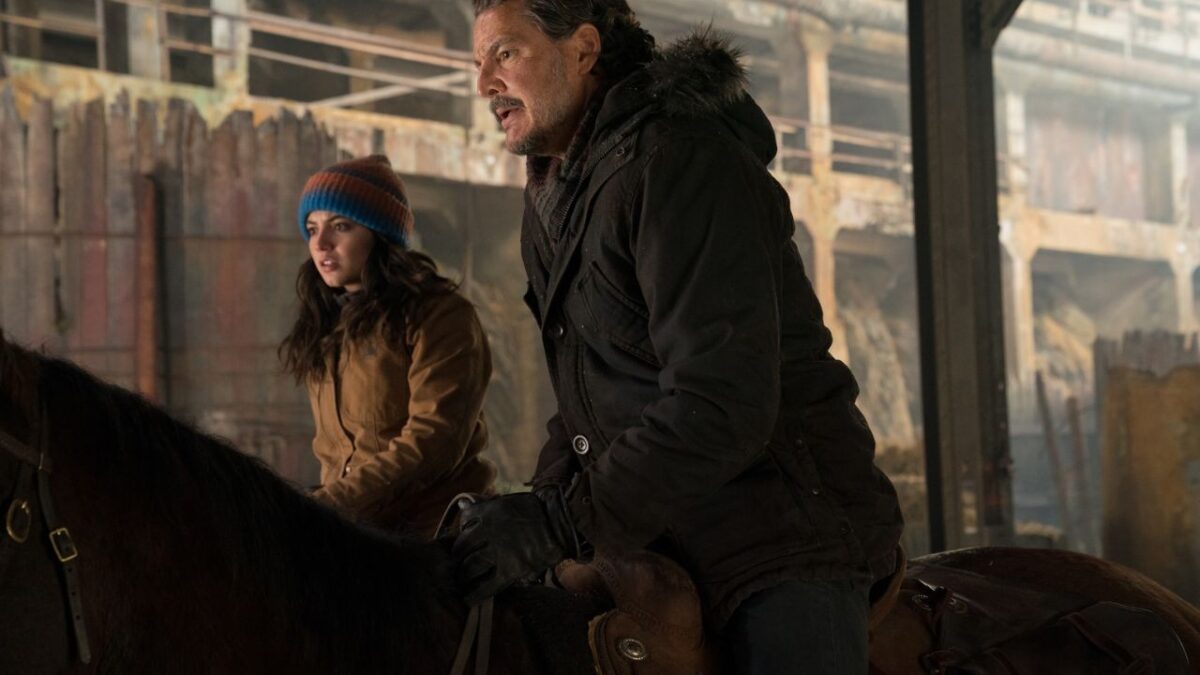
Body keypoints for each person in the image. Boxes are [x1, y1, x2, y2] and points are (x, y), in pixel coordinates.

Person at [452, 1, 904, 672]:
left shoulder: (681, 159)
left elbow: (722, 402)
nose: (485, 83)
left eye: (506, 54)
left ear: (582, 49)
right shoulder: (557, 189)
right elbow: (588, 396)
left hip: (779, 528)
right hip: (655, 520)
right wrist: (539, 506)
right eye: (479, 61)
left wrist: (560, 522)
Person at [280, 154, 496, 538]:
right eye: (312, 229)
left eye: (341, 226)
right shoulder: (328, 322)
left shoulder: (439, 315)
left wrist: (330, 505)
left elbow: (434, 441)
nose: (321, 244)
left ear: (380, 235)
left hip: (434, 532)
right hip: (354, 529)